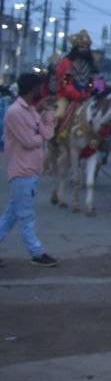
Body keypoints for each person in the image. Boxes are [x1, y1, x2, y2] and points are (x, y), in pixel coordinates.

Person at [0, 72, 58, 266]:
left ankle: (36, 252)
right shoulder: (15, 112)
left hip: (31, 171)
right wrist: (40, 134)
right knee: (26, 216)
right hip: (21, 170)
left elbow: (47, 134)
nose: (40, 91)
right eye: (38, 88)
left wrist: (48, 117)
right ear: (32, 89)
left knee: (11, 216)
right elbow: (28, 141)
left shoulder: (31, 110)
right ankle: (37, 252)